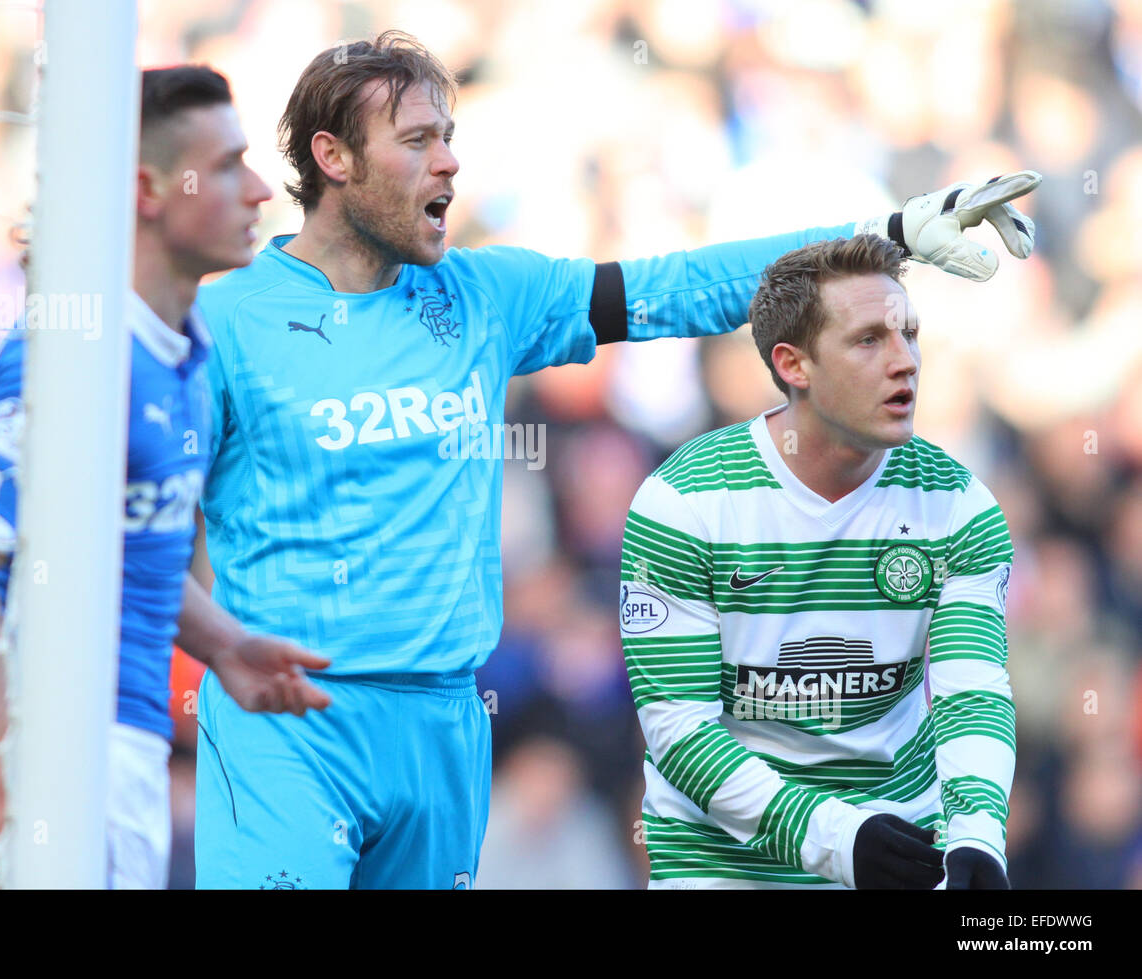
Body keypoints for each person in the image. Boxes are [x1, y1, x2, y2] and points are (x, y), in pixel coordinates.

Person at [192, 30, 1035, 889]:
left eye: (449, 136)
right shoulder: (225, 324)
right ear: (332, 158)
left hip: (444, 724)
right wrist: (217, 642)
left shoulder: (483, 294)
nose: (449, 163)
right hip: (288, 725)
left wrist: (884, 232)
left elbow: (679, 285)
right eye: (417, 141)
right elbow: (117, 519)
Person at [0, 65, 331, 891]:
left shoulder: (182, 350)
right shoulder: (76, 350)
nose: (257, 191)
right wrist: (5, 774)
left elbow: (116, 548)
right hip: (53, 759)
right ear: (148, 188)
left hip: (124, 755)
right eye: (225, 166)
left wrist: (226, 645)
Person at [621, 234, 1015, 889]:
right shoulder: (684, 502)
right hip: (724, 861)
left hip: (899, 844)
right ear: (793, 365)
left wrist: (978, 835)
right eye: (869, 340)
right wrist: (836, 839)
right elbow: (679, 730)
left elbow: (971, 694)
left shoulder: (958, 504)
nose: (906, 361)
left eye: (909, 333)